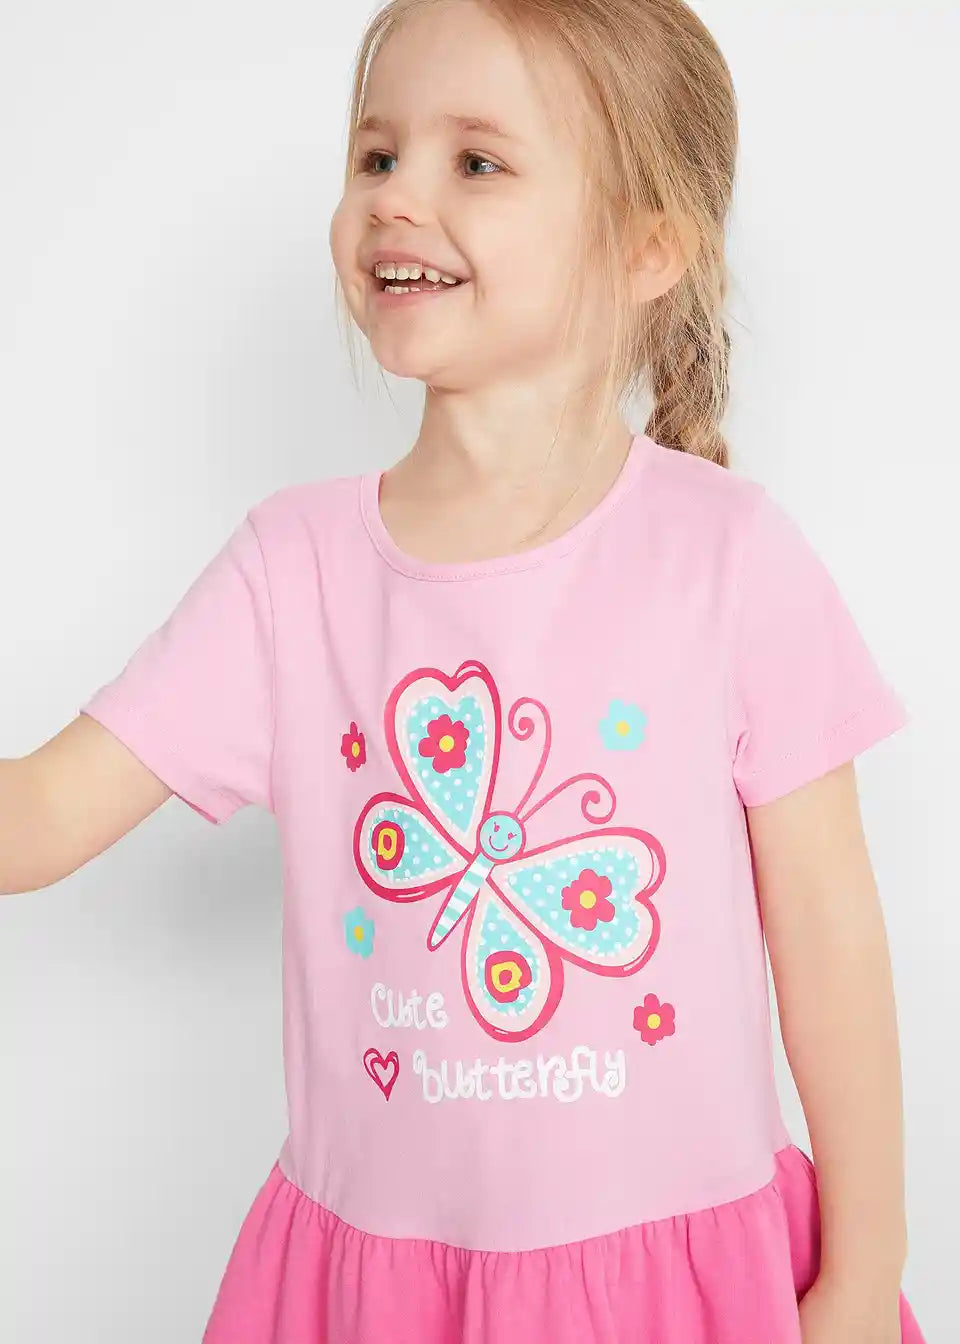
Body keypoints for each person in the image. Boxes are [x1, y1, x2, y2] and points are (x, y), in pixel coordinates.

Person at [1, 1, 927, 1341]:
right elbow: (36, 818)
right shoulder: (294, 571)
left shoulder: (728, 555)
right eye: (376, 156)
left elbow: (831, 933)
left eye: (475, 161)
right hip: (377, 1300)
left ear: (646, 246)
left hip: (679, 1296)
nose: (396, 196)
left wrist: (861, 1268)